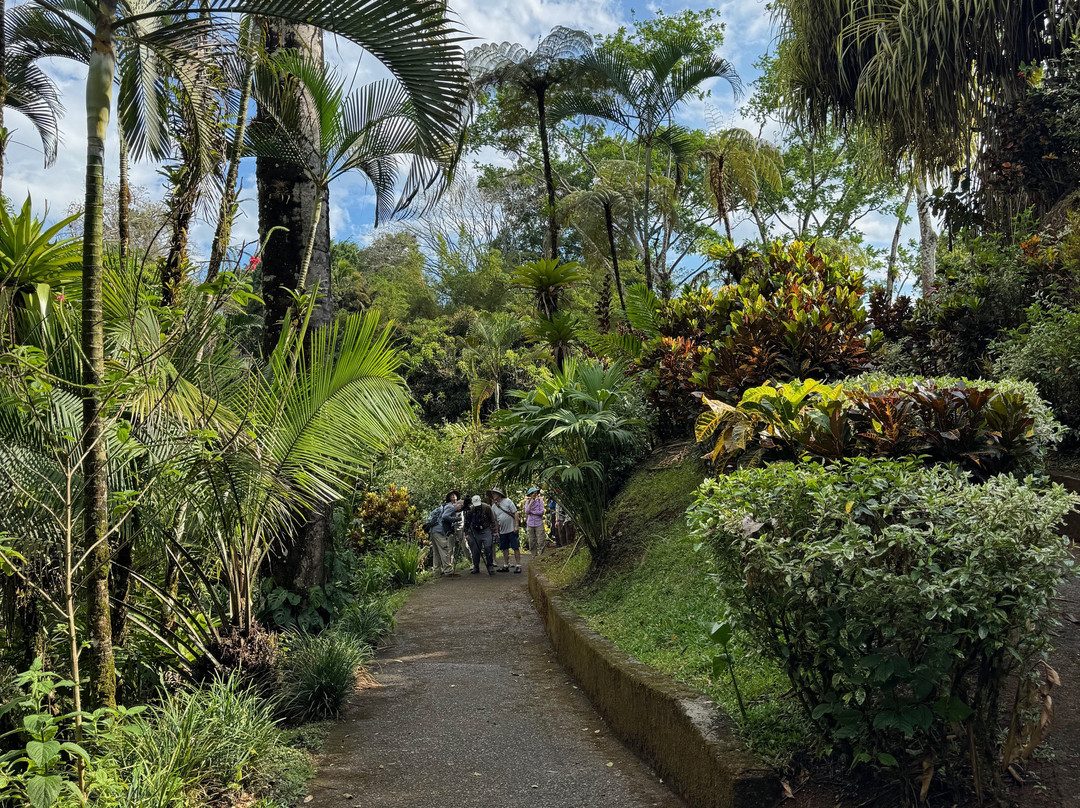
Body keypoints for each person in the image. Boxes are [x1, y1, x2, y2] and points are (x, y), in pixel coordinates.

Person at [489, 487, 521, 573]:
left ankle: (518, 565)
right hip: (503, 530)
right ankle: (506, 565)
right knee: (504, 548)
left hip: (512, 528)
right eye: (492, 494)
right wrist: (497, 531)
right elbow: (495, 520)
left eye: (495, 493)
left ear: (499, 494)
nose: (493, 495)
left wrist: (516, 526)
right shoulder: (494, 507)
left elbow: (515, 513)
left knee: (515, 547)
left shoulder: (507, 501)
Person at [430, 497, 463, 577]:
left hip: (433, 530)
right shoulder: (451, 507)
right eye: (461, 507)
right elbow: (445, 516)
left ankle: (436, 572)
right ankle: (448, 571)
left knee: (436, 552)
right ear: (458, 504)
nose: (460, 510)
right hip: (439, 531)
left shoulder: (446, 506)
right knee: (445, 549)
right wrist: (456, 519)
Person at [466, 494, 498, 575]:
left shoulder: (486, 507)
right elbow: (467, 522)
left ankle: (490, 566)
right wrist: (466, 533)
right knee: (475, 550)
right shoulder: (470, 509)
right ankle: (476, 566)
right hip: (475, 531)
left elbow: (492, 520)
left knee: (488, 547)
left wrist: (494, 531)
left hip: (486, 529)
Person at [524, 487, 547, 557]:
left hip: (538, 522)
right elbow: (527, 511)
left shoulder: (540, 501)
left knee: (541, 540)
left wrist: (533, 512)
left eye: (535, 493)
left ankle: (541, 556)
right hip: (530, 523)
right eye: (533, 493)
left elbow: (542, 512)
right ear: (530, 495)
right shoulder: (527, 502)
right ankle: (534, 555)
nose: (534, 494)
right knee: (531, 541)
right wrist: (530, 504)